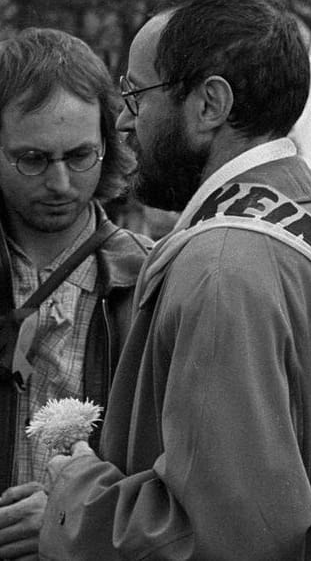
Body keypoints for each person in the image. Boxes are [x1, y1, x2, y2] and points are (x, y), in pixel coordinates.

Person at [42, 0, 311, 560]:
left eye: (136, 95)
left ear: (209, 105)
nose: (122, 123)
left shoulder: (219, 267)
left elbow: (221, 534)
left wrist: (71, 498)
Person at [0, 30, 150, 556]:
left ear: (108, 145)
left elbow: (176, 477)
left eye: (80, 156)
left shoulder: (150, 278)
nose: (61, 183)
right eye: (33, 159)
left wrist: (71, 515)